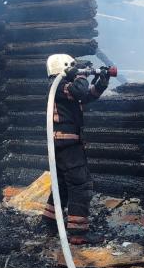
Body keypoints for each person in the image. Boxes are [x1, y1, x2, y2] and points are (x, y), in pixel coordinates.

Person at [42, 54, 111, 245]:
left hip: (64, 143)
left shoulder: (63, 87)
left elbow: (87, 96)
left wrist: (102, 82)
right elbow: (80, 90)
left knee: (63, 184)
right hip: (67, 145)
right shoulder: (58, 86)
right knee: (81, 185)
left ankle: (50, 221)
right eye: (73, 67)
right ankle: (78, 233)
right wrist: (80, 74)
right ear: (64, 67)